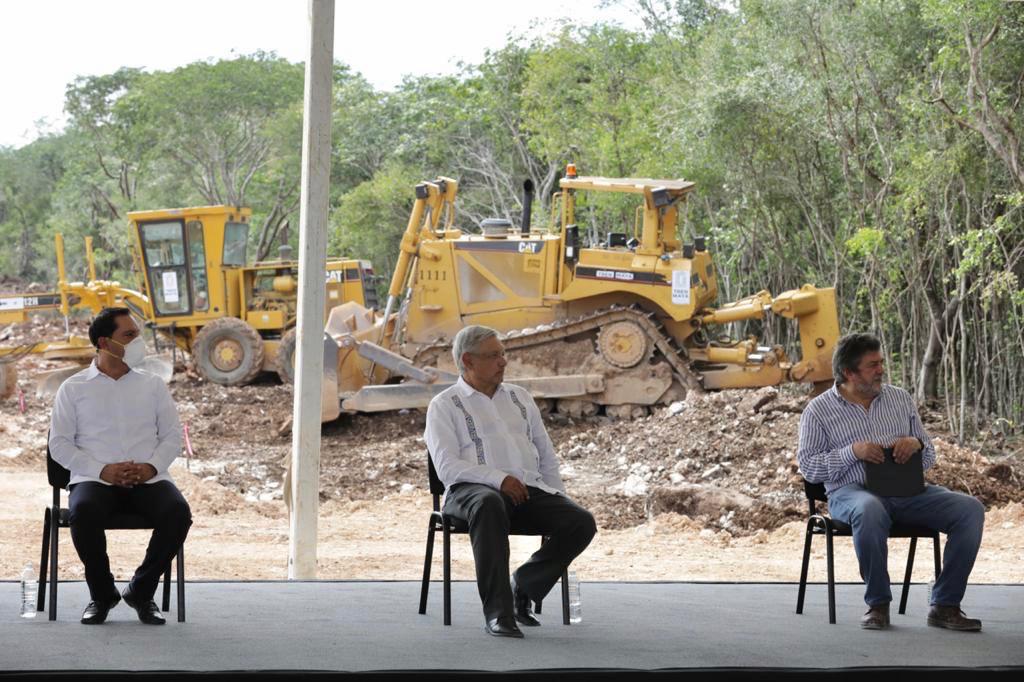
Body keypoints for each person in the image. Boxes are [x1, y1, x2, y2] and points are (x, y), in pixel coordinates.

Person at [797, 332, 985, 631]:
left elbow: (928, 455)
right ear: (849, 372)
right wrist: (852, 452)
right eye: (872, 365)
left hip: (907, 492)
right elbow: (808, 468)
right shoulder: (818, 411)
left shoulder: (900, 399)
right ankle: (878, 604)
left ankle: (945, 605)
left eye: (881, 362)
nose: (881, 370)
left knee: (970, 510)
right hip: (851, 493)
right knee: (870, 509)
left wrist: (915, 444)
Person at [424, 325, 597, 638]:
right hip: (470, 495)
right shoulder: (444, 405)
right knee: (489, 503)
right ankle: (499, 614)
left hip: (526, 491)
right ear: (468, 361)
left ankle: (524, 585)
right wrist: (498, 479)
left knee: (580, 521)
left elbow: (545, 453)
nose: (503, 362)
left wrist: (558, 496)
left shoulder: (520, 398)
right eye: (493, 356)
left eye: (503, 354)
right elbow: (448, 467)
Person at [49, 307, 192, 625]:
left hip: (149, 479)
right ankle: (102, 595)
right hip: (94, 479)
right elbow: (59, 444)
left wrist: (151, 468)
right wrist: (103, 470)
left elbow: (170, 437)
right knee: (83, 511)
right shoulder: (73, 388)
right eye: (129, 335)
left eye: (138, 334)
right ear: (104, 342)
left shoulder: (153, 385)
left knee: (178, 512)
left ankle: (141, 591)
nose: (138, 341)